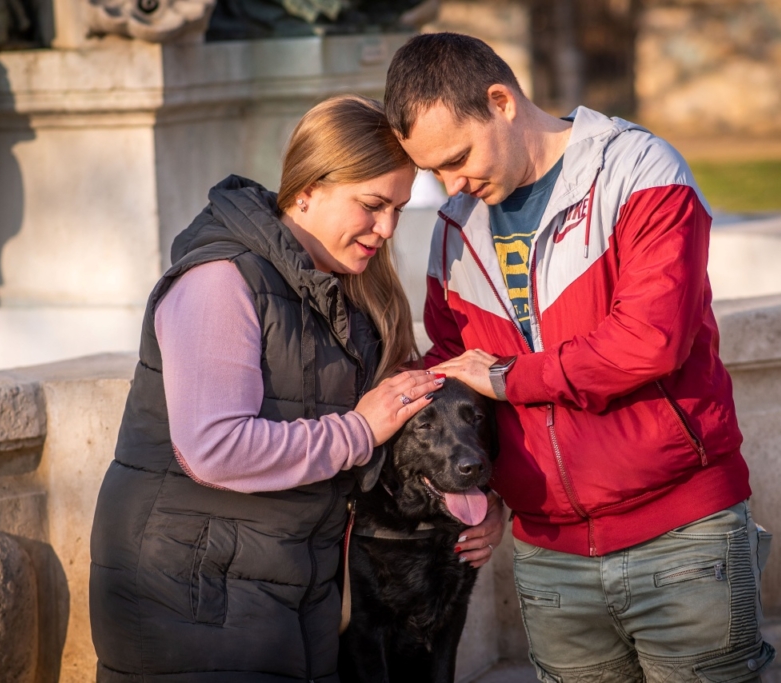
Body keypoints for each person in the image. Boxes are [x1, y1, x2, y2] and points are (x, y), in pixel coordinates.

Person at [384, 33, 775, 682]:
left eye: (456, 158)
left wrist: (511, 376)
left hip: (681, 538)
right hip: (549, 559)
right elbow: (458, 379)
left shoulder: (639, 169)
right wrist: (486, 487)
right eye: (435, 173)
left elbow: (648, 341)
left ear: (501, 101)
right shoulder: (455, 226)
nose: (449, 185)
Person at [88, 94, 504, 682]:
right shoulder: (221, 280)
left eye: (399, 209)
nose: (387, 228)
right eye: (372, 205)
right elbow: (213, 448)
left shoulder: (353, 292)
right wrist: (358, 430)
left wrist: (477, 504)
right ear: (307, 189)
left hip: (291, 593)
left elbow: (420, 418)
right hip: (190, 593)